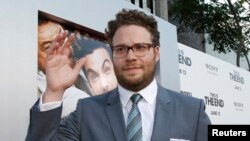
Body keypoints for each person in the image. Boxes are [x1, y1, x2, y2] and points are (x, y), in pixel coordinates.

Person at [26, 9, 211, 141]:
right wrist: (53, 91)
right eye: (121, 49)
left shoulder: (192, 112)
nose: (130, 57)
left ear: (156, 53)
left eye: (140, 47)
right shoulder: (86, 112)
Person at [38, 20, 89, 118]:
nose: (61, 49)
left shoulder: (83, 67)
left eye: (63, 40)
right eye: (49, 47)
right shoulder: (43, 85)